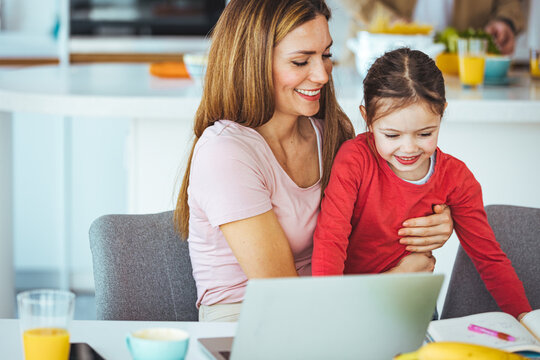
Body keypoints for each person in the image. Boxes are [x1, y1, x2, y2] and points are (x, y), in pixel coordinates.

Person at [174, 0, 454, 322]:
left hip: (334, 314)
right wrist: (392, 283)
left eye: (325, 55)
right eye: (300, 61)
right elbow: (287, 302)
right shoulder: (226, 153)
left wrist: (433, 219)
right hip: (252, 325)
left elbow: (378, 217)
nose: (321, 75)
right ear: (252, 61)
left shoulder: (332, 133)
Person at [312, 47, 531, 319]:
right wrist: (324, 311)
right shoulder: (355, 160)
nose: (408, 148)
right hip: (349, 306)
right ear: (367, 119)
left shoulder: (457, 178)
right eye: (392, 135)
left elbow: (489, 258)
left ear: (442, 114)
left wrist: (525, 319)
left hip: (412, 306)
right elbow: (330, 240)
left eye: (425, 133)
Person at [340, 0, 525, 55]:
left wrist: (505, 21)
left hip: (461, 73)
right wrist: (387, 20)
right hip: (374, 58)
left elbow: (508, 3)